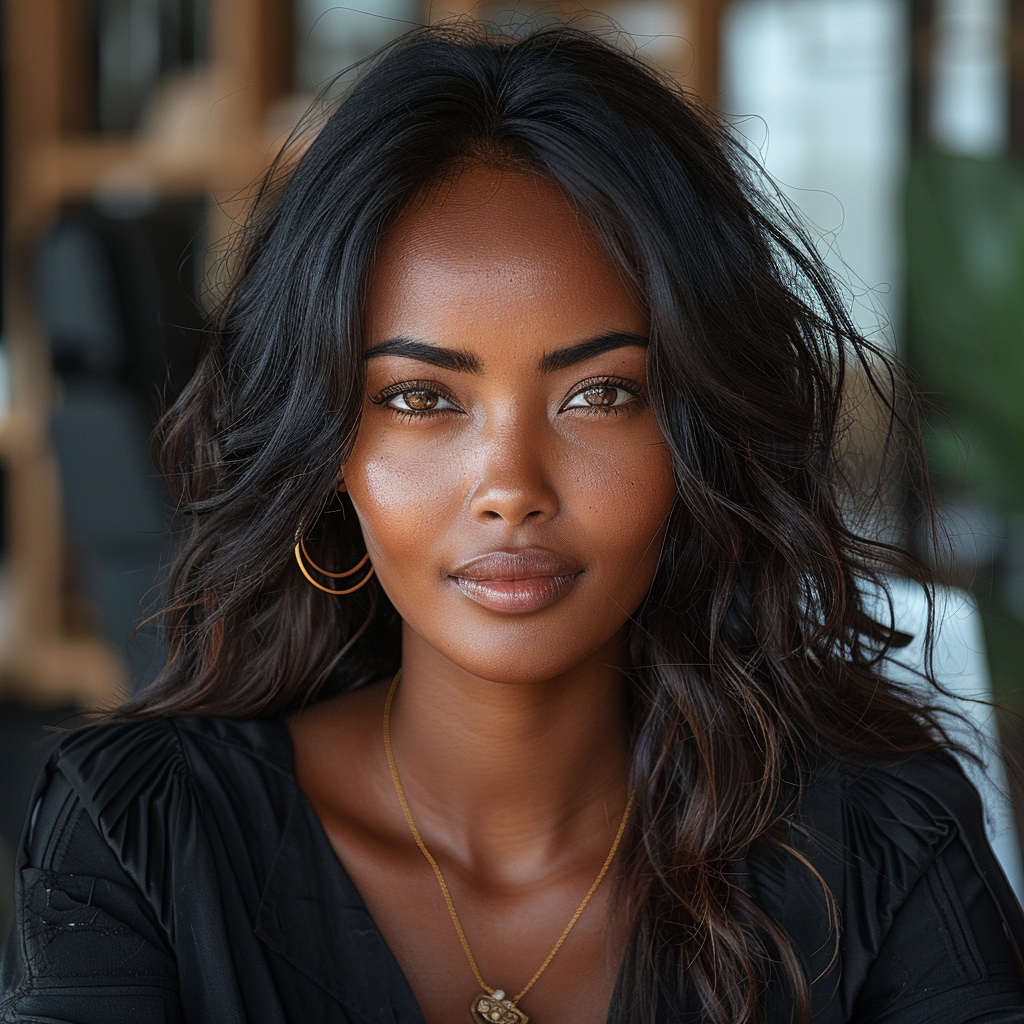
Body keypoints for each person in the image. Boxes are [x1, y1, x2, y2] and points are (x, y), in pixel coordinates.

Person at [2, 22, 1022, 1024]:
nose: (510, 486)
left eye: (599, 394)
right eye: (419, 397)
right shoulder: (145, 835)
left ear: (697, 435)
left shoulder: (882, 841)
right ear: (327, 449)